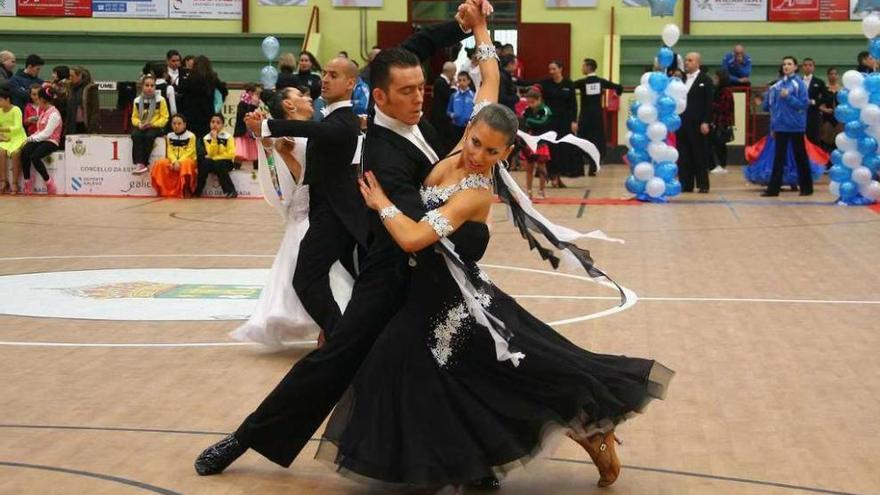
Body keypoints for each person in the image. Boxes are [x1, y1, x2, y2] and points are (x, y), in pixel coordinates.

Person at [314, 20, 672, 490]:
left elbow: (414, 239)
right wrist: (481, 27)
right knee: (471, 379)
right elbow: (490, 79)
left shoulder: (475, 192)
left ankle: (589, 430)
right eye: (475, 142)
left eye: (491, 151)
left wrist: (380, 204)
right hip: (427, 293)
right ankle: (479, 463)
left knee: (518, 374)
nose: (479, 154)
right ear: (470, 128)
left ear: (505, 155)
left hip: (454, 301)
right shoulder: (461, 145)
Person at [193, 4, 490, 485]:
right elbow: (423, 222)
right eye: (408, 91)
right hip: (391, 275)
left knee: (454, 359)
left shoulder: (407, 105)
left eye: (421, 87)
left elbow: (416, 48)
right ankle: (245, 437)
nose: (419, 97)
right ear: (380, 96)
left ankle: (470, 459)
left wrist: (462, 25)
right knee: (332, 362)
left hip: (430, 271)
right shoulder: (384, 154)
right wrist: (473, 221)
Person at [231, 87, 355, 347]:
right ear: (289, 105)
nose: (309, 97)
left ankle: (332, 328)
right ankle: (333, 328)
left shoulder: (306, 133)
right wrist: (272, 143)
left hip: (321, 210)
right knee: (322, 274)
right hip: (311, 211)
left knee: (321, 273)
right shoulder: (289, 139)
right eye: (301, 95)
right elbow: (299, 177)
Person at [759, 56, 813, 197]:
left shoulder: (799, 84)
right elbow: (773, 108)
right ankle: (773, 189)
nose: (786, 66)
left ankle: (807, 188)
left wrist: (788, 96)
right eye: (784, 64)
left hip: (795, 126)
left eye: (789, 64)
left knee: (800, 157)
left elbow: (803, 104)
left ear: (795, 67)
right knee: (778, 158)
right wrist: (773, 127)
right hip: (781, 126)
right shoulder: (777, 85)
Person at [573, 58, 622, 176]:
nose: (582, 68)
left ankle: (578, 167)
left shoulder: (582, 82)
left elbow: (569, 86)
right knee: (596, 140)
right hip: (597, 116)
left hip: (585, 116)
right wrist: (618, 94)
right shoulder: (601, 82)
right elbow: (618, 87)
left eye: (583, 66)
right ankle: (593, 167)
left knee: (582, 138)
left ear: (589, 67)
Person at [677, 52, 714, 193]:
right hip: (682, 123)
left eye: (690, 60)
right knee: (684, 154)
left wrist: (706, 121)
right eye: (686, 60)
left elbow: (709, 103)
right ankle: (686, 184)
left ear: (697, 63)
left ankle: (703, 184)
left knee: (699, 154)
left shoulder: (705, 80)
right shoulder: (681, 80)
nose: (687, 62)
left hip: (698, 124)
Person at [178, 56, 227, 155]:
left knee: (192, 137)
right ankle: (206, 157)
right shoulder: (212, 77)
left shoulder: (190, 77)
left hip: (190, 112)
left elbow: (181, 90)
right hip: (207, 111)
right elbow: (224, 90)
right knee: (206, 138)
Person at [19, 85, 61, 195]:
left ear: (42, 100)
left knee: (35, 156)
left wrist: (31, 138)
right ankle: (27, 182)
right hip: (41, 139)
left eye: (38, 98)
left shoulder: (54, 114)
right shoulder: (43, 112)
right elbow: (39, 130)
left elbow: (47, 133)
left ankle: (48, 182)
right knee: (25, 151)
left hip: (51, 141)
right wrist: (28, 140)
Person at [150, 113, 197, 198]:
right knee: (160, 163)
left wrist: (179, 162)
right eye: (174, 123)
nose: (176, 126)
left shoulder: (191, 136)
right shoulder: (169, 135)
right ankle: (162, 190)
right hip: (173, 161)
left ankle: (186, 189)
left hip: (186, 160)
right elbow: (170, 151)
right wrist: (174, 161)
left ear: (184, 125)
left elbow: (189, 152)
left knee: (187, 163)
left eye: (179, 124)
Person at [131, 74, 169, 175]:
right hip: (142, 125)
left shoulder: (161, 100)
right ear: (142, 86)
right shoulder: (137, 101)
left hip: (156, 127)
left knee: (149, 135)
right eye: (147, 85)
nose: (149, 88)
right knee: (135, 134)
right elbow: (134, 117)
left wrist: (152, 124)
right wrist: (139, 124)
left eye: (152, 86)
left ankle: (144, 163)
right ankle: (139, 163)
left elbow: (165, 118)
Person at [520, 86, 552, 198]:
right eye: (528, 102)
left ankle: (542, 190)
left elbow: (543, 122)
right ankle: (528, 191)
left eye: (532, 102)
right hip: (530, 141)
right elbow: (521, 121)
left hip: (541, 140)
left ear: (539, 100)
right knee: (529, 166)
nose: (530, 104)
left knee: (542, 167)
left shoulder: (545, 110)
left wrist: (528, 121)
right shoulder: (527, 110)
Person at [196, 113, 238, 198]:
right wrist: (214, 139)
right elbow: (211, 153)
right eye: (212, 122)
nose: (215, 124)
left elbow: (230, 155)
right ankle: (198, 190)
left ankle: (231, 191)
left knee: (219, 163)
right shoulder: (206, 138)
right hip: (213, 163)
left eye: (218, 123)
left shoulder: (228, 137)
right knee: (205, 163)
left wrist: (215, 158)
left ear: (222, 125)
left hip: (226, 163)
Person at [0, 86, 26, 194]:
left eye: (0, 100)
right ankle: (3, 181)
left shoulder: (16, 110)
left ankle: (15, 183)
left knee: (16, 153)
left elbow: (18, 127)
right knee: (1, 152)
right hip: (4, 137)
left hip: (17, 137)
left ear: (7, 99)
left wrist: (3, 129)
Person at [709, 70, 734, 175]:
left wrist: (710, 104)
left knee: (720, 144)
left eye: (716, 78)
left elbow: (724, 107)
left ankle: (721, 165)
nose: (714, 80)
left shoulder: (726, 92)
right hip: (715, 121)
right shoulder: (716, 90)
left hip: (722, 122)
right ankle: (716, 164)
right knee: (714, 144)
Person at [233, 83, 261, 167]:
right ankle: (236, 170)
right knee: (240, 153)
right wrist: (252, 106)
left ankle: (257, 173)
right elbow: (244, 115)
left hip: (251, 134)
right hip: (242, 132)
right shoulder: (242, 103)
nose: (258, 96)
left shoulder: (255, 104)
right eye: (256, 93)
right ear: (250, 93)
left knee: (255, 153)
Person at [65, 66, 100, 134]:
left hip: (86, 125)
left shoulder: (90, 88)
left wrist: (93, 128)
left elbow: (95, 110)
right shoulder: (70, 88)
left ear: (80, 76)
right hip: (72, 125)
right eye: (69, 76)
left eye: (72, 76)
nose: (70, 78)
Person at [801, 58, 828, 146]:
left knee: (813, 137)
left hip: (813, 113)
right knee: (799, 138)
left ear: (813, 68)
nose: (807, 67)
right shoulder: (797, 81)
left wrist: (814, 101)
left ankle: (814, 159)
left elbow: (826, 97)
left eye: (810, 65)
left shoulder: (819, 82)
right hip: (799, 113)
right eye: (805, 65)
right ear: (802, 67)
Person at [430, 61, 456, 147]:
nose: (454, 75)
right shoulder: (441, 82)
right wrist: (453, 87)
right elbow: (449, 97)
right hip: (440, 115)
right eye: (454, 72)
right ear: (451, 72)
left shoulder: (440, 81)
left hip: (440, 114)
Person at [448, 71, 475, 144]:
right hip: (455, 127)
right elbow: (448, 111)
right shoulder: (454, 95)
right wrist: (452, 115)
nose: (462, 82)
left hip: (468, 128)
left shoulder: (473, 95)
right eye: (459, 80)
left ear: (468, 81)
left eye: (464, 80)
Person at [819, 67, 842, 153]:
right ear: (828, 76)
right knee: (826, 140)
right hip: (827, 118)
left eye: (835, 74)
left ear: (838, 76)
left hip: (840, 119)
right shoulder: (823, 89)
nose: (833, 76)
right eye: (831, 74)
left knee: (839, 141)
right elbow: (819, 104)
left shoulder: (842, 90)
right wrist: (824, 109)